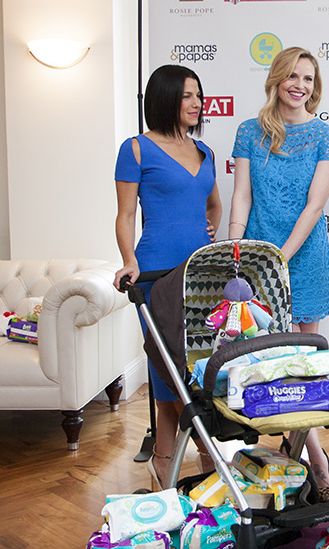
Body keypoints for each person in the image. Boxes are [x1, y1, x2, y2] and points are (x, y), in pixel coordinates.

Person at [227, 47, 329, 501]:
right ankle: (313, 452)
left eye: (309, 79)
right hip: (255, 253)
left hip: (306, 254)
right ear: (276, 79)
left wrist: (284, 256)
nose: (300, 85)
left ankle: (301, 455)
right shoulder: (249, 132)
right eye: (293, 76)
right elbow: (241, 197)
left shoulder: (326, 136)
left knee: (304, 360)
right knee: (269, 359)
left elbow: (315, 205)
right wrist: (236, 248)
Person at [113, 64, 222, 486]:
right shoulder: (136, 149)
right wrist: (128, 260)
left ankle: (173, 457)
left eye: (199, 95)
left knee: (195, 369)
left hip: (201, 276)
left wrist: (209, 228)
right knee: (166, 368)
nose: (196, 103)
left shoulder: (205, 152)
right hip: (154, 272)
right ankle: (190, 454)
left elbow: (213, 206)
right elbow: (124, 215)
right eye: (186, 96)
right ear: (164, 99)